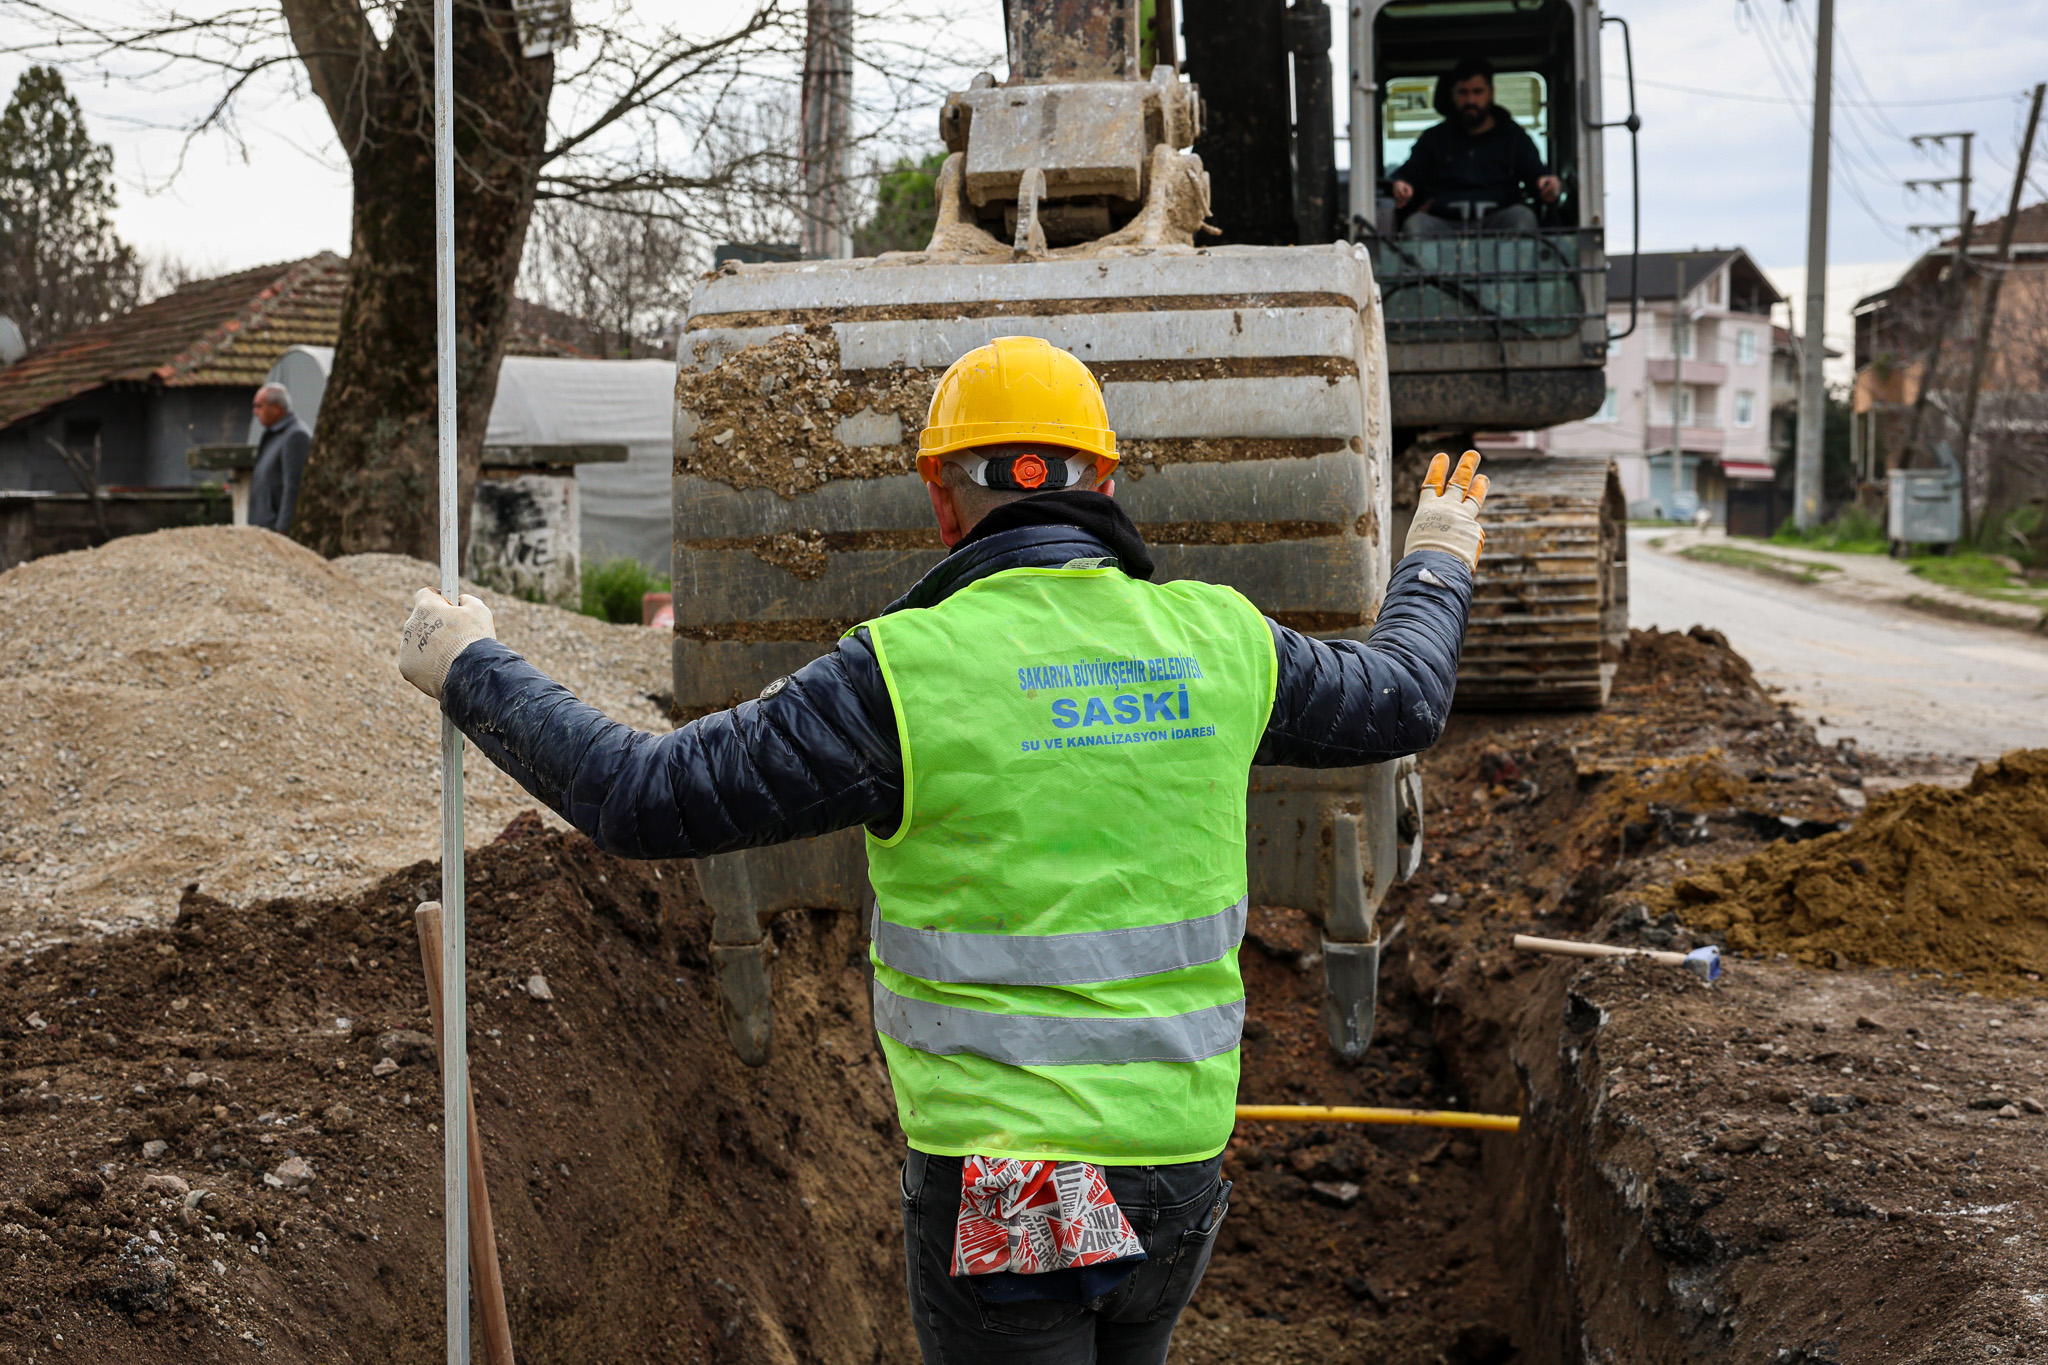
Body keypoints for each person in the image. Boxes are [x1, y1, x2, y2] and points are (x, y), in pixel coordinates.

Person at [396, 336, 1489, 1365]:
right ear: (1104, 483)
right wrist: (1435, 557)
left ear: (938, 499)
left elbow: (644, 796)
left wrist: (470, 668)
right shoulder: (1217, 639)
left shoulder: (901, 675)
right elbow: (1400, 694)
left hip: (1019, 1184)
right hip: (1180, 1171)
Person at [1390, 56, 1561, 237]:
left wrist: (1547, 184)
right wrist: (1401, 185)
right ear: (1453, 95)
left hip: (1498, 220)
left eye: (1477, 92)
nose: (1470, 100)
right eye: (1463, 92)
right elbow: (1408, 174)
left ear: (1491, 93)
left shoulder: (1513, 136)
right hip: (1444, 222)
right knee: (1415, 225)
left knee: (1522, 218)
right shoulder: (1434, 138)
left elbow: (1535, 173)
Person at [247, 382, 311, 534]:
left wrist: (283, 528)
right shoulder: (274, 434)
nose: (255, 412)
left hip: (276, 530)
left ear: (276, 408)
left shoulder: (296, 435)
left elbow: (294, 487)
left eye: (259, 406)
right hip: (263, 528)